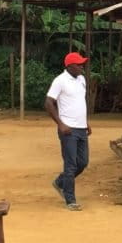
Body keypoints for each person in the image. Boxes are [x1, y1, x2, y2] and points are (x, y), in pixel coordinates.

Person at [44, 51, 92, 211]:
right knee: (70, 165)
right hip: (68, 129)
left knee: (83, 162)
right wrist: (60, 124)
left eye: (82, 64)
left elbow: (79, 102)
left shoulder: (81, 80)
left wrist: (86, 123)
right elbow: (49, 102)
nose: (81, 67)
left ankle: (60, 182)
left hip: (81, 127)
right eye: (78, 65)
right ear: (69, 66)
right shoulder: (60, 81)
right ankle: (70, 199)